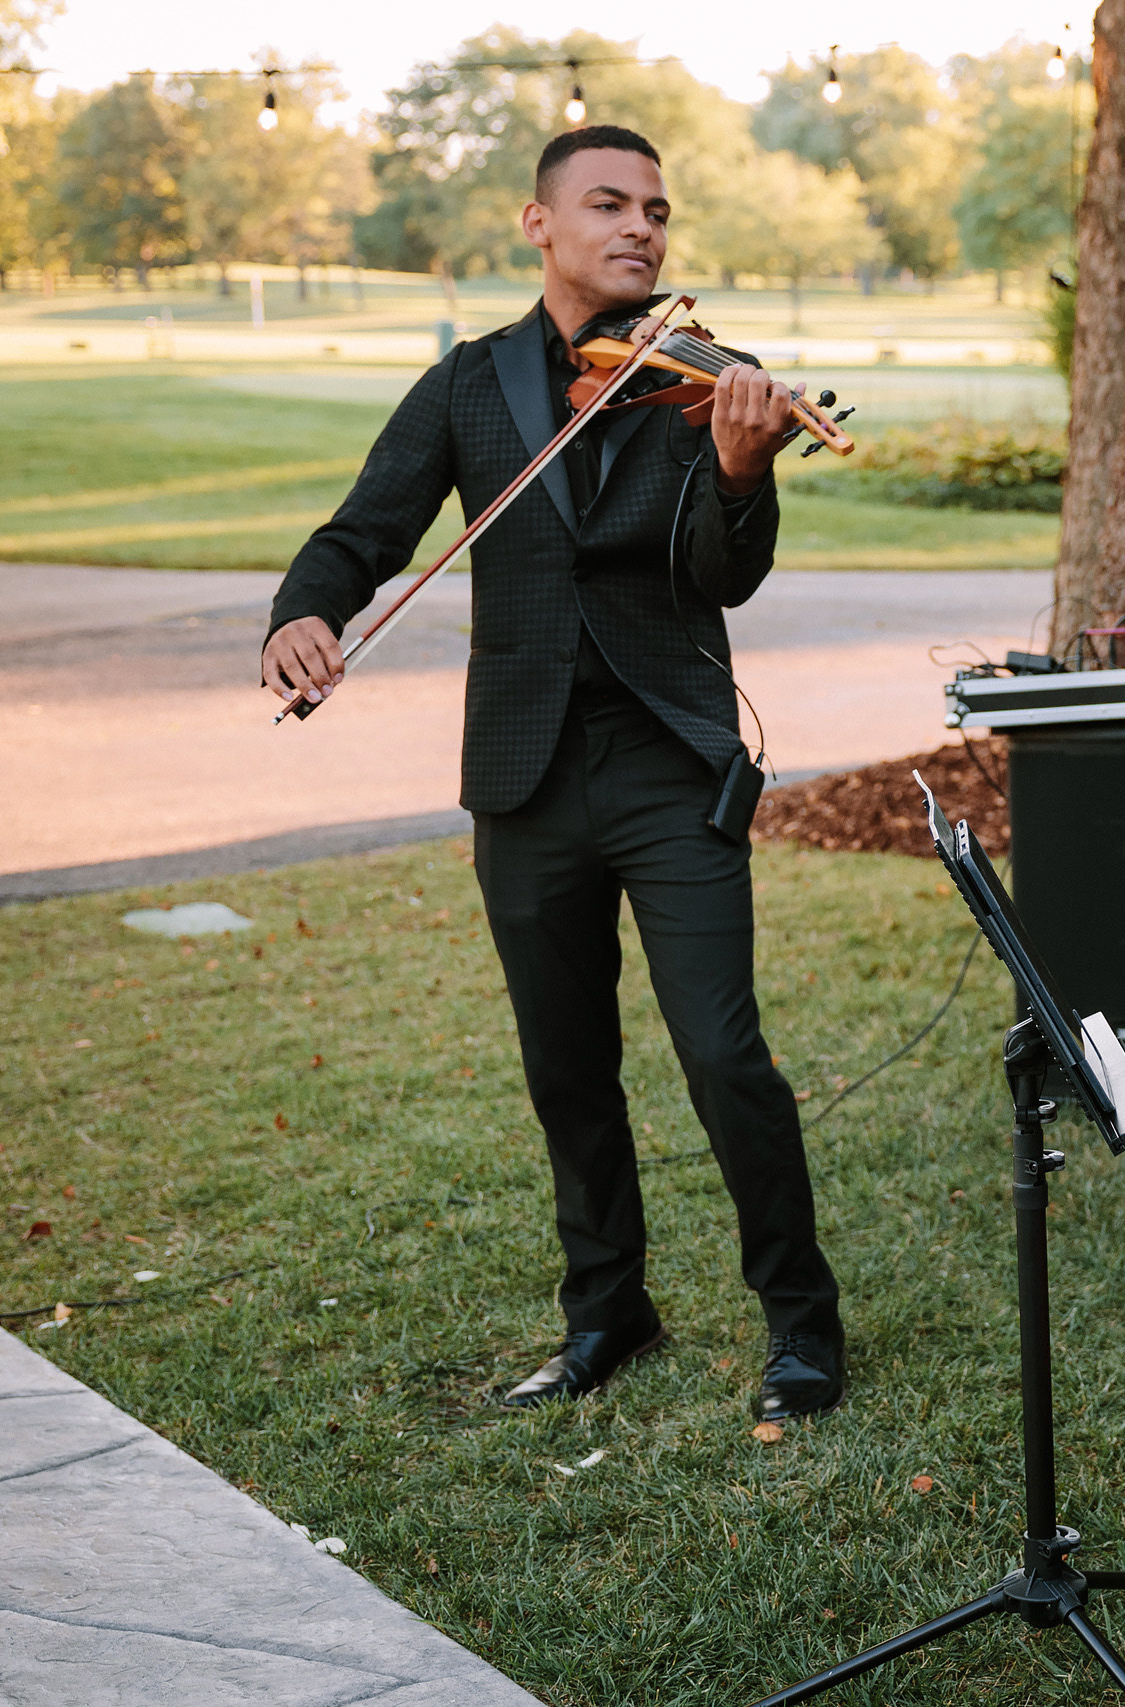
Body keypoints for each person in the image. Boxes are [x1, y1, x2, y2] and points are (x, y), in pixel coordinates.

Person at [259, 125, 845, 1424]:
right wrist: (304, 612)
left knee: (723, 1052)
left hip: (668, 764)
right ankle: (606, 1310)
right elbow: (365, 529)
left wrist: (743, 469)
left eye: (656, 208)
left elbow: (717, 573)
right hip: (524, 775)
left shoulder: (708, 379)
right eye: (609, 203)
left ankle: (802, 1324)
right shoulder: (469, 386)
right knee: (565, 1065)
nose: (640, 225)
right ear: (540, 224)